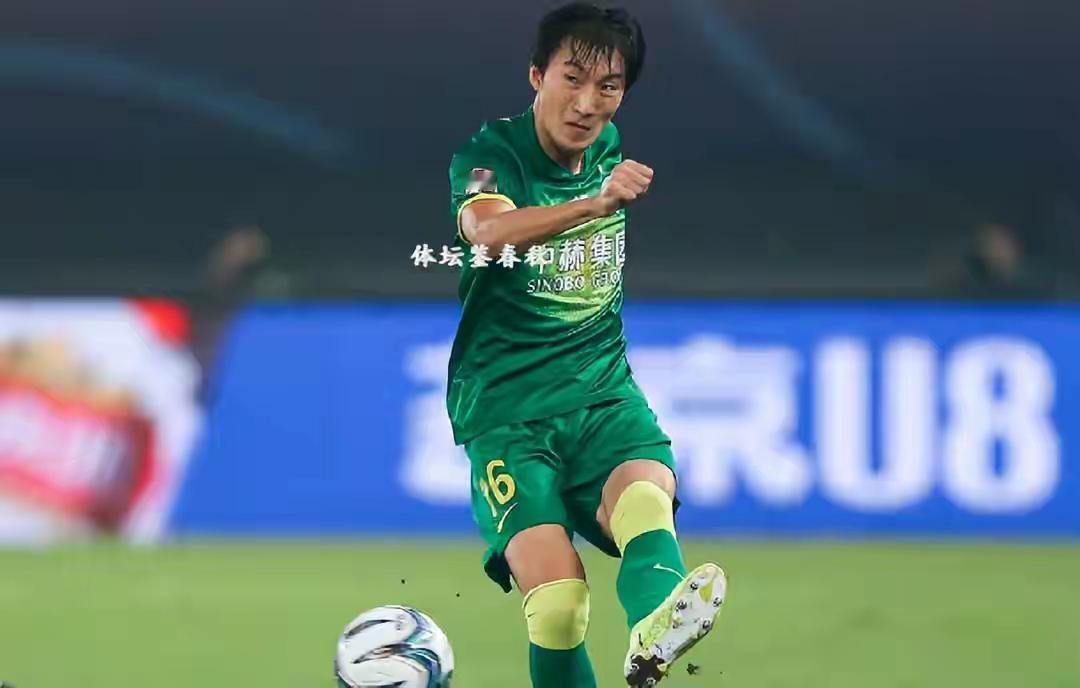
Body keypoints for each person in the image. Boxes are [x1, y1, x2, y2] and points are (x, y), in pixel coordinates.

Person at [445, 4, 725, 686]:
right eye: (572, 79)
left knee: (646, 500)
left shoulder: (606, 146)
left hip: (602, 392)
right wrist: (593, 205)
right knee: (558, 608)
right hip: (508, 412)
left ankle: (655, 632)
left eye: (608, 86)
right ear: (536, 76)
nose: (587, 102)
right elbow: (486, 233)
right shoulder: (488, 157)